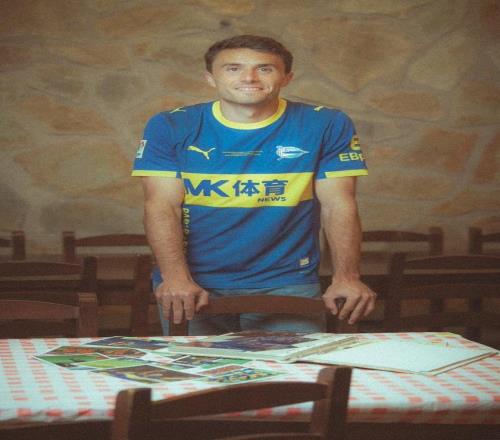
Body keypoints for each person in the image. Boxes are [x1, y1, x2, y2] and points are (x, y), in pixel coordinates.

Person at [132, 34, 376, 335]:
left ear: (287, 77)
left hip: (289, 281)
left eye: (264, 68)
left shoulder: (326, 124)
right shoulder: (170, 125)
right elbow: (161, 206)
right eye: (233, 68)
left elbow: (339, 204)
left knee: (296, 367)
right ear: (210, 77)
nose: (249, 78)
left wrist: (347, 277)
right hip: (191, 283)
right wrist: (174, 277)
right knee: (199, 367)